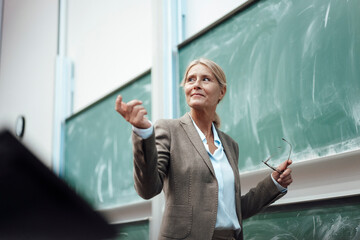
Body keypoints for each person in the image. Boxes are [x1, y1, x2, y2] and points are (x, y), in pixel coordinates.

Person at [115, 58, 293, 240]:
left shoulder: (230, 145)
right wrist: (144, 133)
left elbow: (234, 210)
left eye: (205, 79)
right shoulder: (169, 130)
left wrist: (274, 183)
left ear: (221, 92)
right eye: (191, 79)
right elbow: (148, 189)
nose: (196, 85)